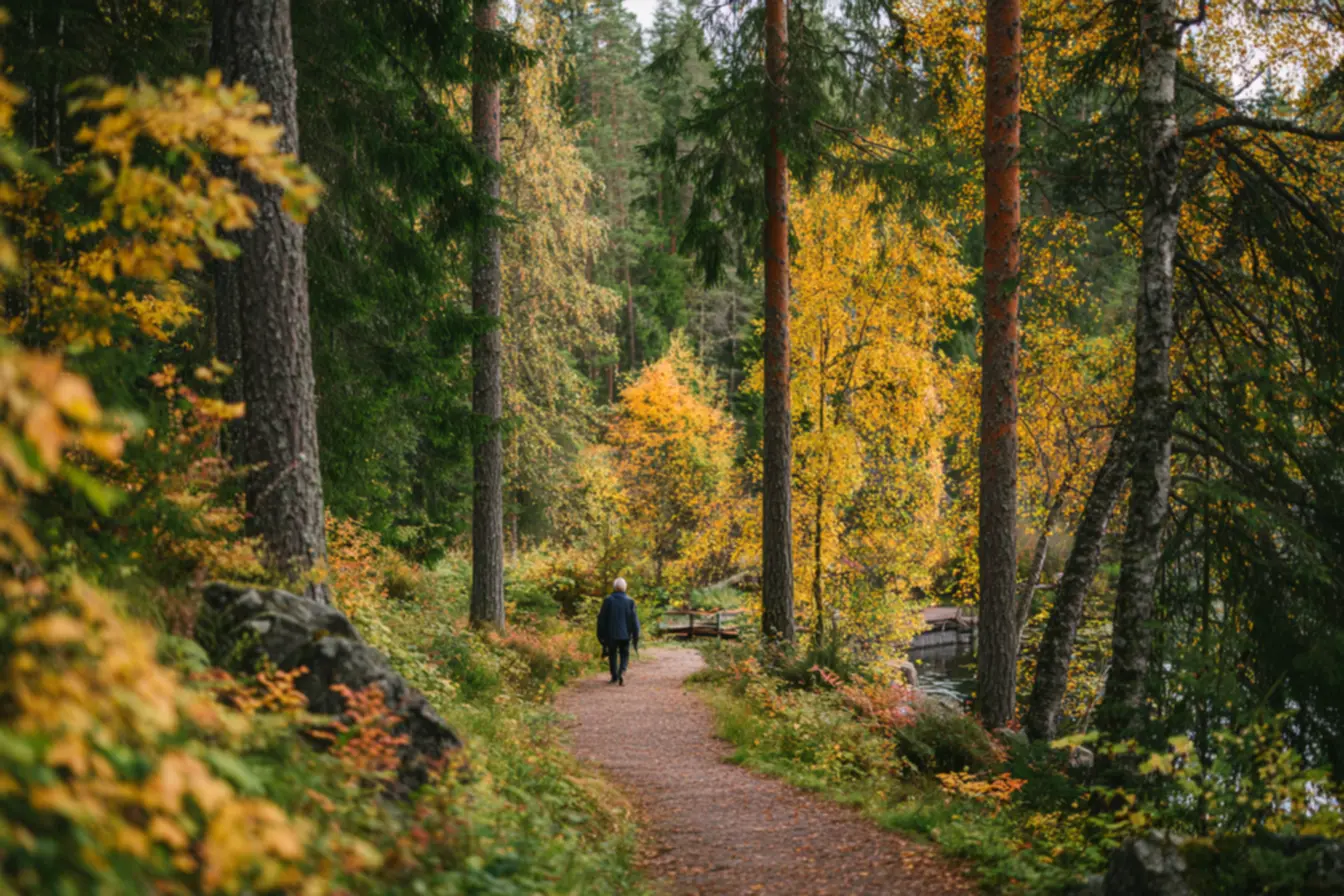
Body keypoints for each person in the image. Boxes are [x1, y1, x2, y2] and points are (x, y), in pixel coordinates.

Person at [596, 577, 640, 686]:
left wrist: (600, 635)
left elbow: (601, 619)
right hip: (625, 634)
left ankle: (614, 676)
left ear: (614, 587)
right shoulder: (630, 601)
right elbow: (634, 620)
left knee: (612, 654)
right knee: (625, 653)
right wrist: (635, 634)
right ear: (625, 587)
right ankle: (622, 672)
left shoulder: (608, 600)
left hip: (611, 634)